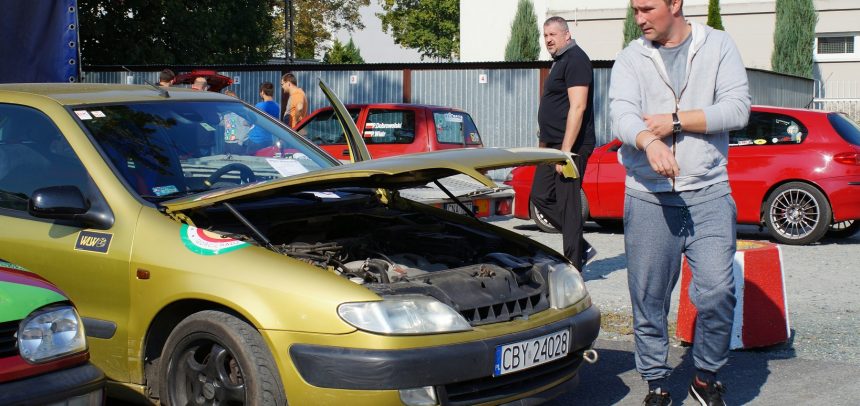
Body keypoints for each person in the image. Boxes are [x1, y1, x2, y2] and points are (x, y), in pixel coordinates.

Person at [608, 0, 751, 405]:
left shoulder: (718, 45)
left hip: (709, 192)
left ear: (676, 4)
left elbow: (738, 109)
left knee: (718, 292)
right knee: (649, 297)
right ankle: (655, 382)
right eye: (635, 10)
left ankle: (706, 376)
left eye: (647, 9)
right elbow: (621, 113)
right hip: (649, 196)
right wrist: (648, 141)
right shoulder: (631, 58)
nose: (639, 19)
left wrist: (673, 120)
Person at [531, 16, 596, 272]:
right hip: (553, 145)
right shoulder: (559, 62)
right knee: (540, 196)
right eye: (545, 35)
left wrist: (566, 153)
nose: (548, 40)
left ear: (566, 35)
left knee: (569, 207)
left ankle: (574, 268)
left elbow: (578, 107)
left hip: (572, 148)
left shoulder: (576, 59)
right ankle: (580, 245)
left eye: (553, 35)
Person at [245, 82, 280, 154]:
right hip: (269, 139)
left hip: (256, 139)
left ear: (263, 92)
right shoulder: (277, 106)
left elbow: (251, 121)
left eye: (260, 91)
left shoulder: (259, 106)